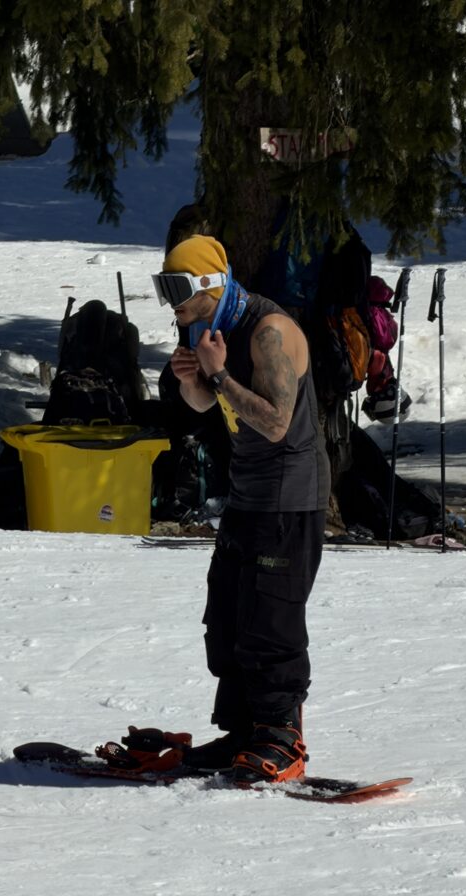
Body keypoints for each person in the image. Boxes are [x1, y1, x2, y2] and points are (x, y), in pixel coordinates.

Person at [152, 235, 330, 783]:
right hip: (247, 493)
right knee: (227, 613)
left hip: (289, 496)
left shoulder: (270, 332)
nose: (170, 302)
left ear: (210, 284)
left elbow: (276, 423)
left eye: (177, 288)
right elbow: (205, 403)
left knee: (270, 619)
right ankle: (243, 731)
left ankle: (282, 737)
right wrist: (194, 380)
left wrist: (220, 375)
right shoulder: (206, 327)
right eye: (163, 287)